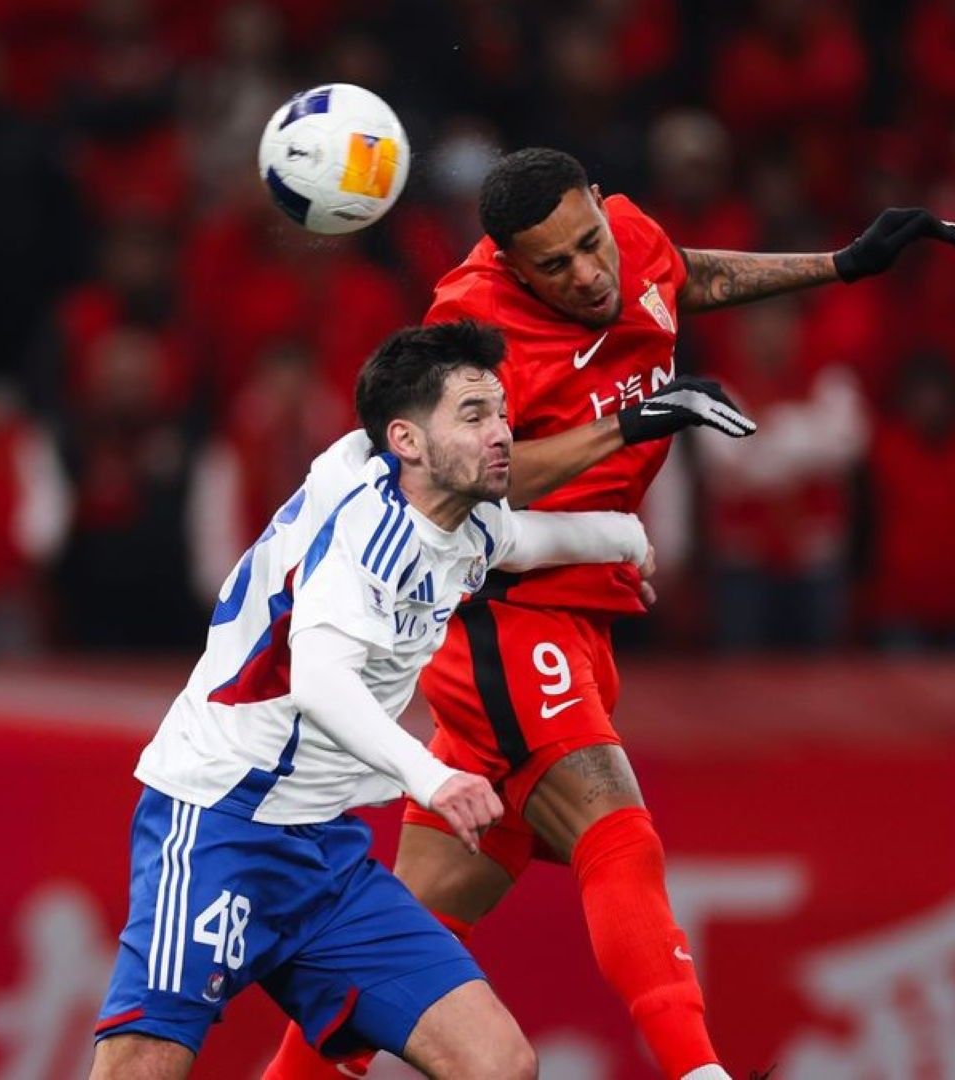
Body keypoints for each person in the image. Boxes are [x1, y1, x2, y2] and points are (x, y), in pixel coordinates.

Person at [266, 148, 955, 1080]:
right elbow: (465, 477)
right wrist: (630, 429)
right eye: (555, 266)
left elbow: (681, 278)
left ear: (601, 207)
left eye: (590, 242)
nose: (589, 274)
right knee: (616, 831)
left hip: (579, 610)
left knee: (389, 955)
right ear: (512, 265)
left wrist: (837, 264)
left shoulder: (631, 240)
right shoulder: (470, 324)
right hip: (502, 616)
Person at [91, 320, 658, 1079]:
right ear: (408, 440)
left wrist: (623, 537)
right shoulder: (369, 538)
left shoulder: (458, 515)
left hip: (326, 854)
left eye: (500, 410)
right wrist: (434, 778)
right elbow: (322, 679)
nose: (503, 433)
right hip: (221, 821)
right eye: (474, 415)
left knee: (498, 1065)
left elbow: (515, 541)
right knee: (140, 1064)